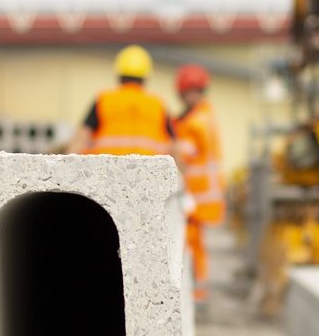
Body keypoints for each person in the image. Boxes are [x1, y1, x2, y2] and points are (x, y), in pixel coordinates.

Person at [67, 45, 178, 158]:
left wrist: (66, 165)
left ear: (119, 74)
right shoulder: (157, 104)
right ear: (146, 76)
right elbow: (174, 146)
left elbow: (81, 138)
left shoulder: (104, 100)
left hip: (109, 171)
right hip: (148, 173)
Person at [174, 63, 225, 302]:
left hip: (195, 196)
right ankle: (197, 292)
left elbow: (182, 155)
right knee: (195, 245)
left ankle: (195, 294)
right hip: (202, 196)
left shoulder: (195, 123)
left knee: (191, 245)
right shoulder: (206, 115)